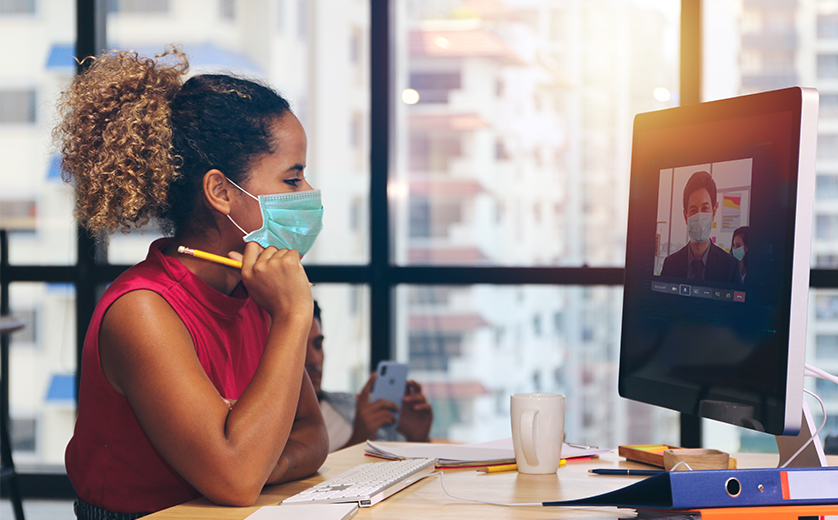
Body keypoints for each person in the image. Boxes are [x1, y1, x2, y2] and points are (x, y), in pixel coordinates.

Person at [55, 48, 329, 518]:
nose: (308, 194)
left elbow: (312, 436)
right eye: (293, 178)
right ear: (221, 192)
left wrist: (256, 459)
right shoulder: (142, 310)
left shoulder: (255, 291)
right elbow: (236, 478)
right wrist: (293, 315)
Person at [305, 301, 433, 452]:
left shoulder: (356, 408)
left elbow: (401, 469)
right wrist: (360, 438)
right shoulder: (277, 427)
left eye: (318, 346)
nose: (314, 360)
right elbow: (309, 473)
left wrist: (417, 438)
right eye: (301, 347)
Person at [660, 171, 742, 284]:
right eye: (693, 210)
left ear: (713, 212)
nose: (699, 217)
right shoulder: (670, 265)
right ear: (685, 216)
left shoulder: (730, 267)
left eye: (704, 209)